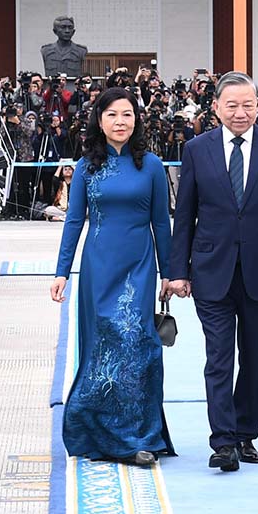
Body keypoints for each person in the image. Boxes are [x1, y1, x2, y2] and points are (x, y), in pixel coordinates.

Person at [167, 72, 258, 472]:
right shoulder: (197, 150)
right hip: (211, 270)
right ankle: (223, 440)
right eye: (231, 105)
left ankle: (246, 432)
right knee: (218, 358)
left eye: (248, 104)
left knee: (256, 357)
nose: (241, 112)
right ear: (215, 108)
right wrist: (177, 270)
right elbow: (185, 215)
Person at [51, 88, 174, 466]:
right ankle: (101, 432)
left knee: (139, 346)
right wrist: (61, 272)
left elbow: (161, 222)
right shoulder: (87, 166)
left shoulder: (151, 165)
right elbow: (74, 221)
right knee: (104, 345)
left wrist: (169, 273)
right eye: (112, 115)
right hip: (97, 268)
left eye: (127, 115)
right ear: (99, 121)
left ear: (136, 119)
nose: (120, 122)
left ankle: (140, 435)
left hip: (139, 267)